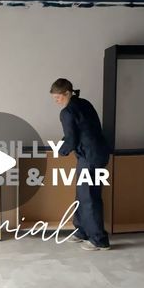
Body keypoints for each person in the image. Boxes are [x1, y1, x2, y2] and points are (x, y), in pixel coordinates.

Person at [50, 78, 111, 250]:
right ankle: (82, 231)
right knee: (83, 194)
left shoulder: (67, 112)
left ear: (68, 93)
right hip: (98, 153)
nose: (56, 101)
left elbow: (71, 139)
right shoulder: (84, 103)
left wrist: (60, 151)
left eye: (58, 98)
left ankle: (99, 240)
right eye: (54, 98)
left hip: (89, 157)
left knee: (89, 197)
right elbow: (83, 130)